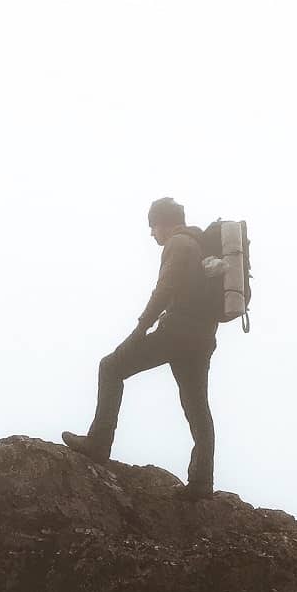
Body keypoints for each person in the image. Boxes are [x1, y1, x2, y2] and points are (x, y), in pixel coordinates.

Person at [62, 197, 217, 499]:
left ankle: (98, 443)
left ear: (163, 224)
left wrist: (140, 328)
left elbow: (165, 288)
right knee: (197, 407)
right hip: (202, 339)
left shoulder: (178, 244)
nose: (151, 234)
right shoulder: (198, 245)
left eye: (152, 226)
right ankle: (202, 483)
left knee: (110, 367)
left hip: (176, 333)